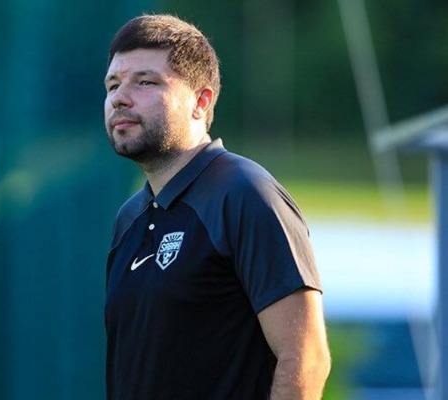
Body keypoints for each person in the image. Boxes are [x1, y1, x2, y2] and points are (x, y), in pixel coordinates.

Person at [103, 14, 331, 400]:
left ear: (201, 101)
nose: (120, 98)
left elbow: (305, 358)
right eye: (113, 85)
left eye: (145, 82)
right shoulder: (130, 218)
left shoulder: (245, 193)